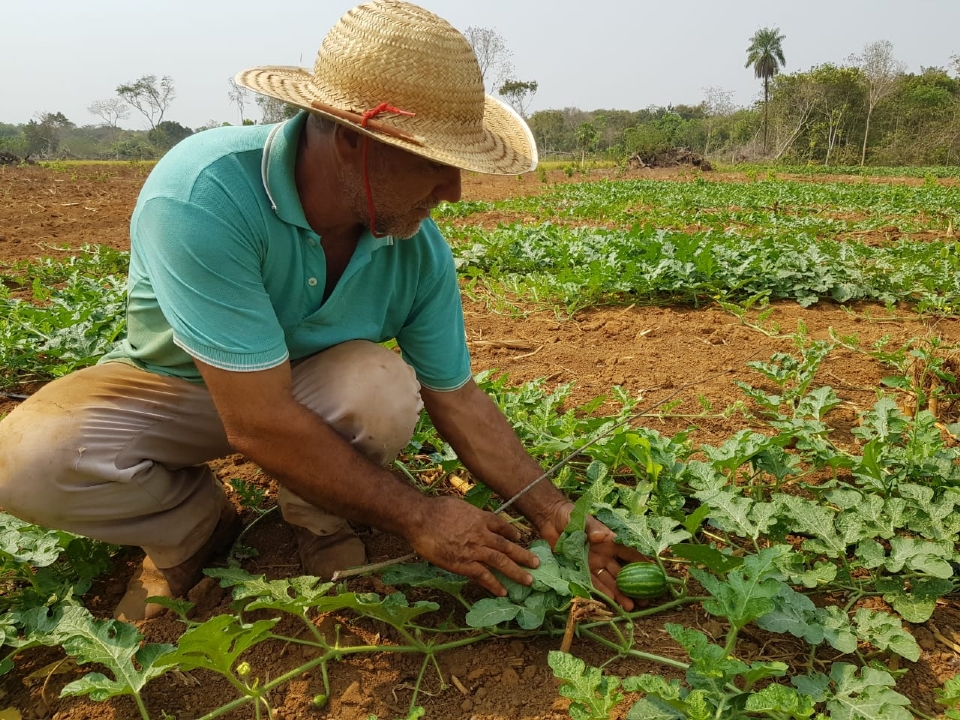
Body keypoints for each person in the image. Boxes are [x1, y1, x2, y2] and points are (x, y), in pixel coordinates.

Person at [0, 0, 639, 622]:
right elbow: (256, 420)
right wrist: (420, 516)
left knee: (380, 387)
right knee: (24, 464)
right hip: (174, 389)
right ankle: (191, 527)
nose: (453, 191)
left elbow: (459, 399)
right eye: (434, 163)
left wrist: (555, 513)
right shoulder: (204, 192)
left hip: (305, 400)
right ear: (351, 140)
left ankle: (322, 517)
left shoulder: (415, 249)